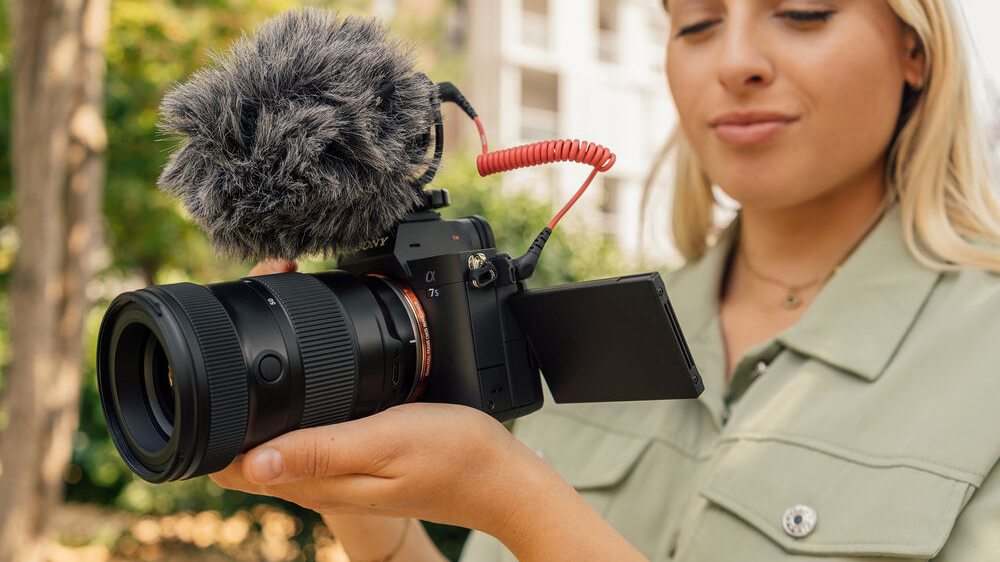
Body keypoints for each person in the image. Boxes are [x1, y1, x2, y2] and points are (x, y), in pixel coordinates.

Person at [210, 0, 1000, 560]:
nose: (735, 62)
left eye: (802, 13)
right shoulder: (596, 331)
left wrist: (516, 499)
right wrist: (367, 518)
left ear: (916, 48)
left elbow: (520, 507)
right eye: (697, 23)